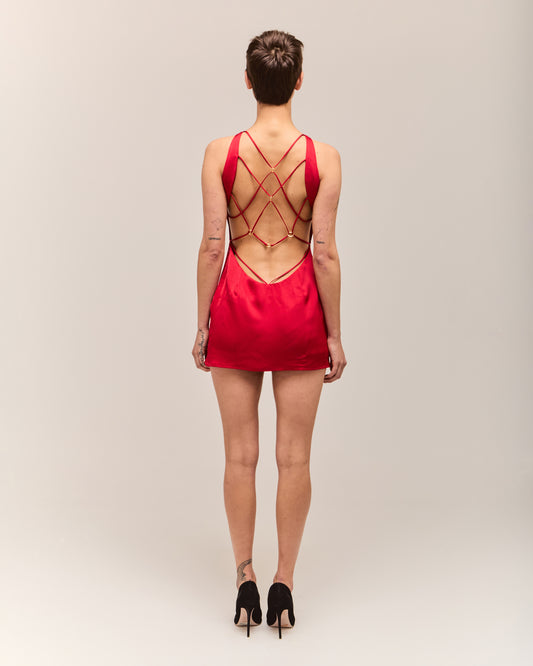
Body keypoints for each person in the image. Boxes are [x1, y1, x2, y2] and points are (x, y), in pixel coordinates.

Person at [192, 29, 346, 638]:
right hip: (299, 307)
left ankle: (245, 580)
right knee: (294, 457)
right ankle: (284, 583)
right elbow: (324, 251)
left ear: (248, 80)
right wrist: (335, 334)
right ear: (299, 80)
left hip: (236, 303)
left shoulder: (220, 152)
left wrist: (201, 323)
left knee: (240, 455)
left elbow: (213, 244)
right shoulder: (325, 158)